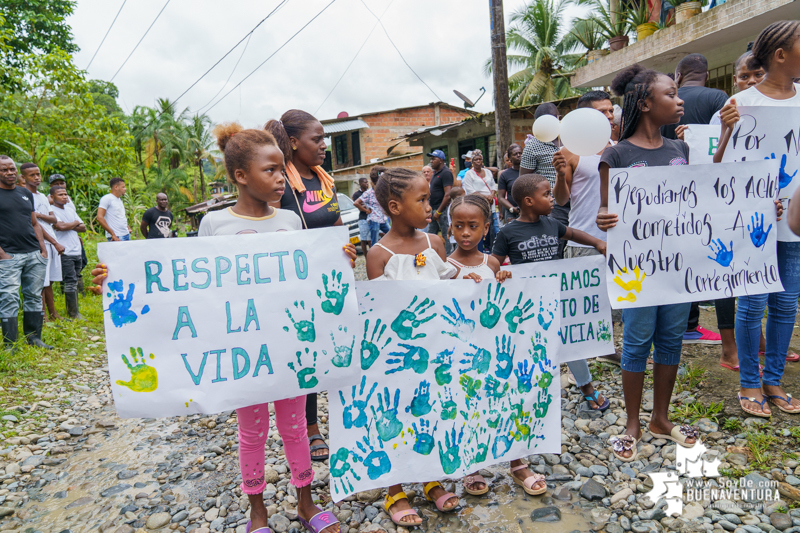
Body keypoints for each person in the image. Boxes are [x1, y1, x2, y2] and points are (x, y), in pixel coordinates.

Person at [94, 123, 352, 533]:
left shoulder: (290, 219)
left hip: (288, 350)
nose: (280, 179)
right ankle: (258, 512)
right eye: (270, 171)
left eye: (282, 170)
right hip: (243, 356)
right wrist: (120, 279)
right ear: (240, 176)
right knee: (252, 433)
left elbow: (307, 277)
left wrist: (339, 261)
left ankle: (306, 502)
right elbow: (188, 288)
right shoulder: (214, 225)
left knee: (296, 428)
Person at [597, 64, 699, 460]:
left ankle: (661, 418)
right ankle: (632, 423)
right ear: (644, 103)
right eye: (671, 94)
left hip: (675, 266)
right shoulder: (616, 154)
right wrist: (606, 218)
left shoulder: (680, 150)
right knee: (638, 341)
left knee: (672, 339)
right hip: (636, 269)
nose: (680, 100)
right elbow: (607, 212)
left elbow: (698, 199)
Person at [713, 20, 800, 416]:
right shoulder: (741, 104)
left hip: (796, 220)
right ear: (781, 55)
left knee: (786, 303)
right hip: (754, 223)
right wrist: (727, 133)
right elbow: (719, 172)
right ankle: (749, 382)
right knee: (753, 303)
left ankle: (774, 379)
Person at [366, 167, 460, 527]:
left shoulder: (434, 243)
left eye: (428, 198)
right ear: (394, 206)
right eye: (421, 200)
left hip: (435, 352)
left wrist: (492, 276)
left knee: (430, 413)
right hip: (397, 359)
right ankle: (394, 489)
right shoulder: (379, 255)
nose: (429, 205)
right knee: (394, 417)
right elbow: (379, 314)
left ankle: (430, 477)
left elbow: (455, 290)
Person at [447, 192, 548, 498]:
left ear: (486, 227)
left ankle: (518, 462)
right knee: (467, 408)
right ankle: (471, 465)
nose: (466, 233)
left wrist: (505, 278)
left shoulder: (492, 265)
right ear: (449, 227)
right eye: (459, 225)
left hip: (497, 353)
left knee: (507, 401)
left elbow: (505, 304)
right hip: (463, 356)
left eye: (473, 226)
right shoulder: (444, 266)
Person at [492, 173, 610, 422]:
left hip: (556, 299)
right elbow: (494, 261)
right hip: (525, 304)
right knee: (530, 346)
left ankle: (586, 386)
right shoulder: (508, 232)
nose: (552, 198)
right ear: (528, 201)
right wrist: (495, 272)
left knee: (569, 341)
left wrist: (599, 243)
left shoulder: (552, 224)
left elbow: (574, 234)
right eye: (546, 194)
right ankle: (531, 393)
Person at [266, 109, 344, 462]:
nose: (324, 145)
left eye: (325, 138)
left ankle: (346, 417)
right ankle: (310, 427)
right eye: (317, 139)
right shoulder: (281, 184)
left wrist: (348, 250)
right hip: (297, 285)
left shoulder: (324, 179)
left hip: (332, 281)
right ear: (294, 142)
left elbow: (337, 222)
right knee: (306, 353)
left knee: (336, 347)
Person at [551, 90, 622, 366]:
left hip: (619, 236)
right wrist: (559, 175)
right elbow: (562, 199)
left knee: (616, 295)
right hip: (585, 238)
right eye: (601, 112)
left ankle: (608, 347)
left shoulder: (620, 147)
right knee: (588, 300)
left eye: (610, 111)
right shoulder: (569, 152)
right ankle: (585, 354)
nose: (609, 116)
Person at [0, 155, 51, 352]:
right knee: (9, 297)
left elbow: (34, 223)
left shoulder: (24, 193)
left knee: (33, 295)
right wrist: (2, 254)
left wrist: (43, 249)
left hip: (34, 253)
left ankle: (34, 338)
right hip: (9, 256)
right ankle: (10, 344)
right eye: (4, 170)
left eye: (12, 169)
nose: (10, 173)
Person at [520, 103, 568, 258]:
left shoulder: (570, 139)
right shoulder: (532, 146)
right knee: (556, 244)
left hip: (577, 200)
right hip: (552, 205)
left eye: (555, 118)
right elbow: (524, 181)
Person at [20, 164, 64, 321]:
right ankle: (42, 316)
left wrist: (39, 214)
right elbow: (34, 224)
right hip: (40, 242)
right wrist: (51, 241)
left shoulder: (43, 197)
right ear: (23, 177)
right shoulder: (24, 195)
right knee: (40, 282)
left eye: (38, 174)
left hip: (52, 242)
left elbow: (53, 219)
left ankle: (53, 313)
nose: (37, 177)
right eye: (32, 175)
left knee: (49, 281)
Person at [661, 53, 729, 140]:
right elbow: (725, 134)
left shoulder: (665, 99)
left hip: (670, 153)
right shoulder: (718, 97)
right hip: (710, 153)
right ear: (707, 76)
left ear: (678, 76)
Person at [51, 186, 85, 319]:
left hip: (76, 249)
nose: (64, 196)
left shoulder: (70, 209)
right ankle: (73, 313)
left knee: (75, 279)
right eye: (60, 194)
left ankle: (75, 311)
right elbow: (60, 226)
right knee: (70, 281)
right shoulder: (52, 211)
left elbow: (83, 228)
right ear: (52, 197)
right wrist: (75, 223)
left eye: (65, 194)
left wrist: (70, 224)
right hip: (65, 251)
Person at [709, 49, 765, 125]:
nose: (752, 81)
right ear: (735, 80)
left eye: (758, 74)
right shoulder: (722, 116)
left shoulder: (783, 108)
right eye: (744, 76)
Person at [460, 149, 500, 249]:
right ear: (472, 162)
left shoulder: (487, 172)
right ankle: (480, 251)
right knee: (480, 228)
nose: (478, 161)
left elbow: (493, 186)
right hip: (478, 205)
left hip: (490, 205)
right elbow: (470, 190)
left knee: (493, 229)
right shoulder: (469, 174)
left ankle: (492, 251)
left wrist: (491, 195)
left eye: (480, 159)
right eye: (476, 159)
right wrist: (485, 197)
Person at [425, 149, 454, 254]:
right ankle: (429, 256)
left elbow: (448, 195)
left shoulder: (446, 173)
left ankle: (449, 258)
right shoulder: (435, 173)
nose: (431, 161)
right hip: (433, 210)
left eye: (434, 159)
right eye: (431, 159)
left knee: (446, 235)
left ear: (441, 160)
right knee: (430, 236)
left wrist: (439, 212)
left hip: (442, 210)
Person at [353, 167, 390, 246]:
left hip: (383, 219)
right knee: (374, 241)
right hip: (374, 219)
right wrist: (366, 210)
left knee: (391, 234)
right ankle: (374, 256)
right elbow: (356, 203)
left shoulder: (382, 191)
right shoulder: (369, 193)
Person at [97, 177, 131, 242]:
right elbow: (99, 217)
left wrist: (127, 227)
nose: (125, 189)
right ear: (116, 187)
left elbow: (120, 216)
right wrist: (112, 234)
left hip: (125, 234)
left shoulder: (119, 199)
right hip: (117, 236)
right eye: (123, 187)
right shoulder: (107, 199)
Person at [498, 144, 522, 223]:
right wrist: (512, 208)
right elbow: (501, 197)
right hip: (511, 212)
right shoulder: (505, 175)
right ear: (510, 158)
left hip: (529, 211)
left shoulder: (530, 172)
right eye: (515, 154)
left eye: (520, 153)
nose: (518, 155)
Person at [352, 177, 371, 255]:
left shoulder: (370, 192)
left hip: (372, 218)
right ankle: (367, 257)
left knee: (372, 238)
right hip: (363, 219)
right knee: (364, 239)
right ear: (360, 184)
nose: (367, 184)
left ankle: (373, 255)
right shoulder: (356, 195)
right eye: (365, 182)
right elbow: (359, 206)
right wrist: (366, 209)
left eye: (367, 182)